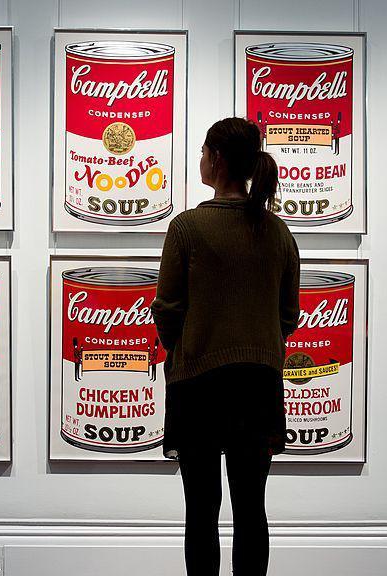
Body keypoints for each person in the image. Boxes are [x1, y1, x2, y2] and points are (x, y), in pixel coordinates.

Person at [151, 117, 300, 576]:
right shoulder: (277, 232)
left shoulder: (188, 228)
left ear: (216, 159)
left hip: (199, 383)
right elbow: (288, 316)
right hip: (258, 385)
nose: (200, 159)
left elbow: (168, 308)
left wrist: (188, 347)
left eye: (202, 152)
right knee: (251, 508)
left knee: (201, 511)